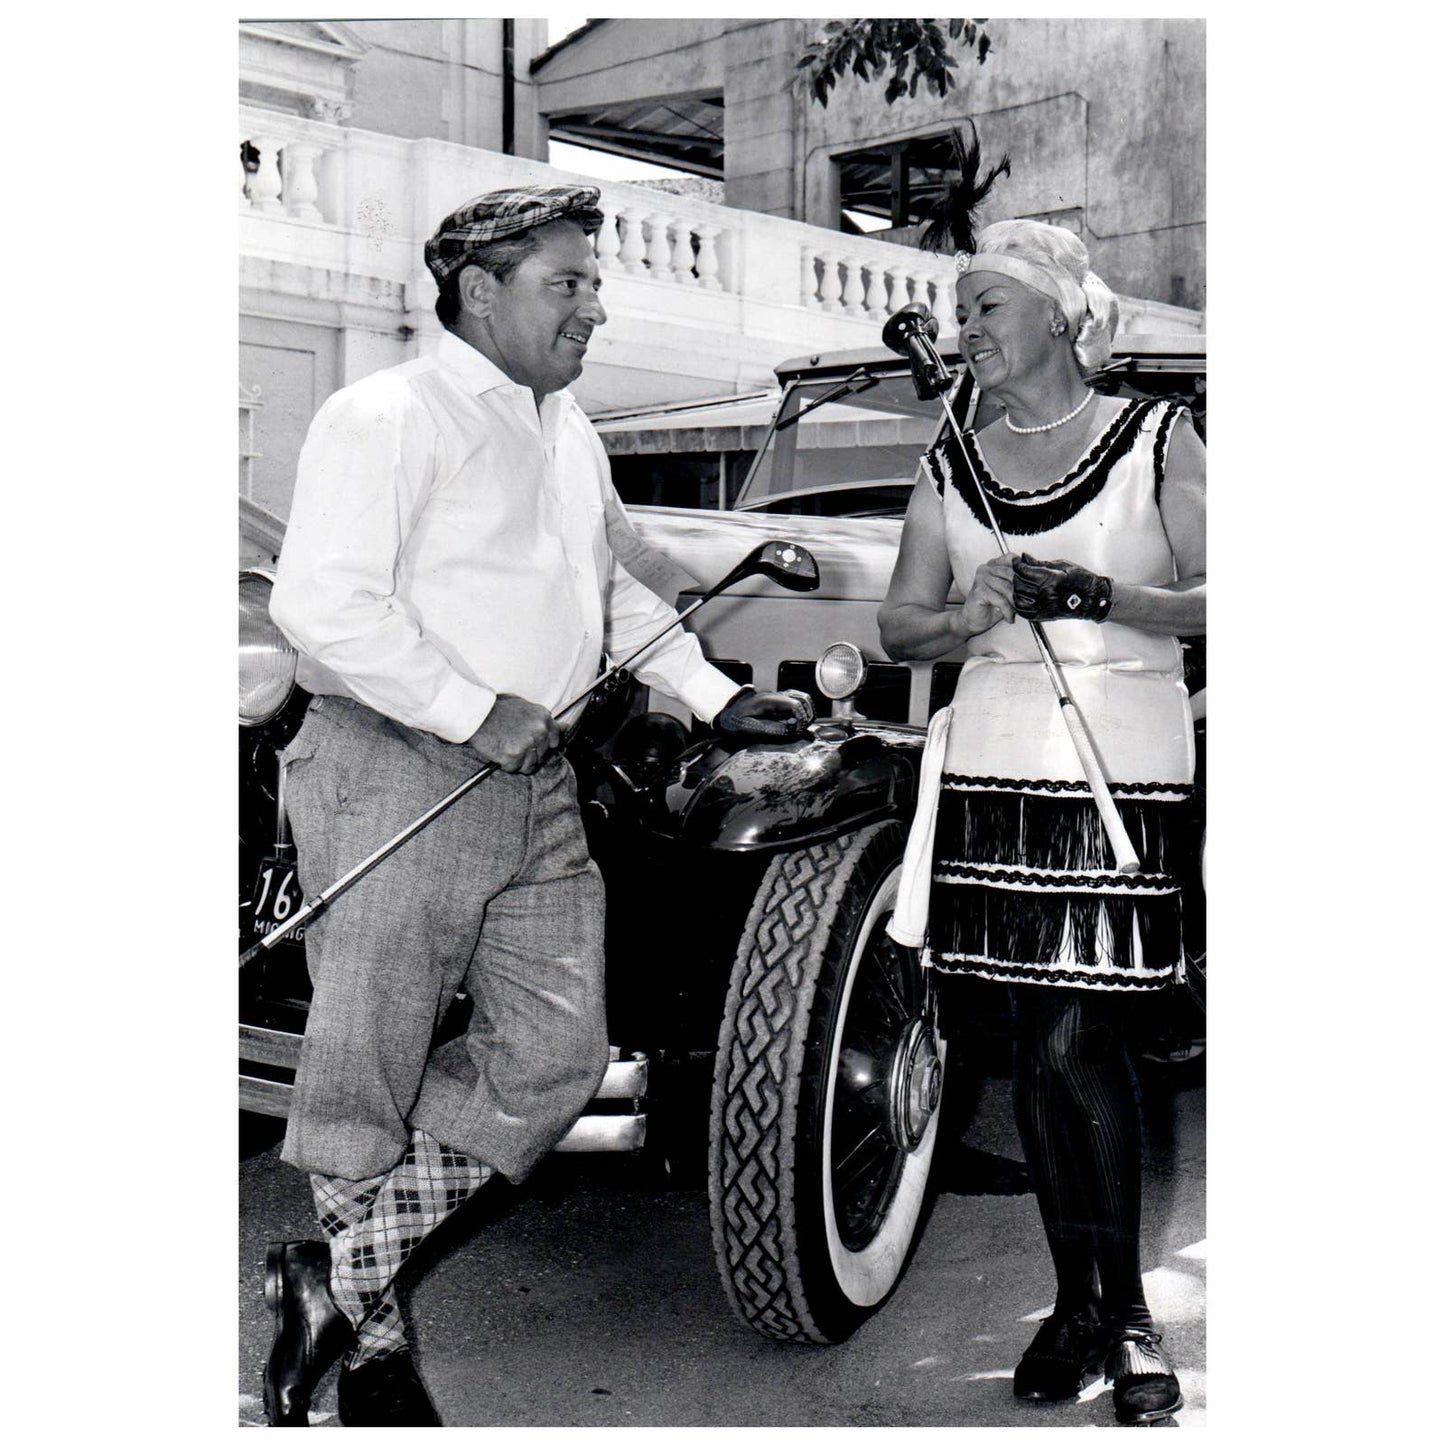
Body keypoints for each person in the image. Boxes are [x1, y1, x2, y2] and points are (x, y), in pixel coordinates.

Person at [260, 184, 812, 1427]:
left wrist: (713, 694)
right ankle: (379, 1341)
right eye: (566, 282)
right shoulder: (384, 413)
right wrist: (469, 707)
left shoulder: (566, 430)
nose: (594, 307)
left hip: (537, 781)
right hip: (394, 763)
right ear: (478, 288)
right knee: (367, 1066)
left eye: (592, 283)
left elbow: (606, 598)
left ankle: (333, 1276)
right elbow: (322, 604)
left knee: (559, 1055)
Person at [878, 218, 1205, 1425]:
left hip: (1119, 764)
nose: (964, 330)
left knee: (1078, 1040)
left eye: (985, 306)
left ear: (1063, 317)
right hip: (997, 763)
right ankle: (1076, 1301)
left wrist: (1097, 592)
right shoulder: (950, 455)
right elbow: (897, 630)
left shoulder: (1154, 436)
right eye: (958, 311)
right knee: (1033, 1042)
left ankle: (1120, 1313)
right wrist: (964, 612)